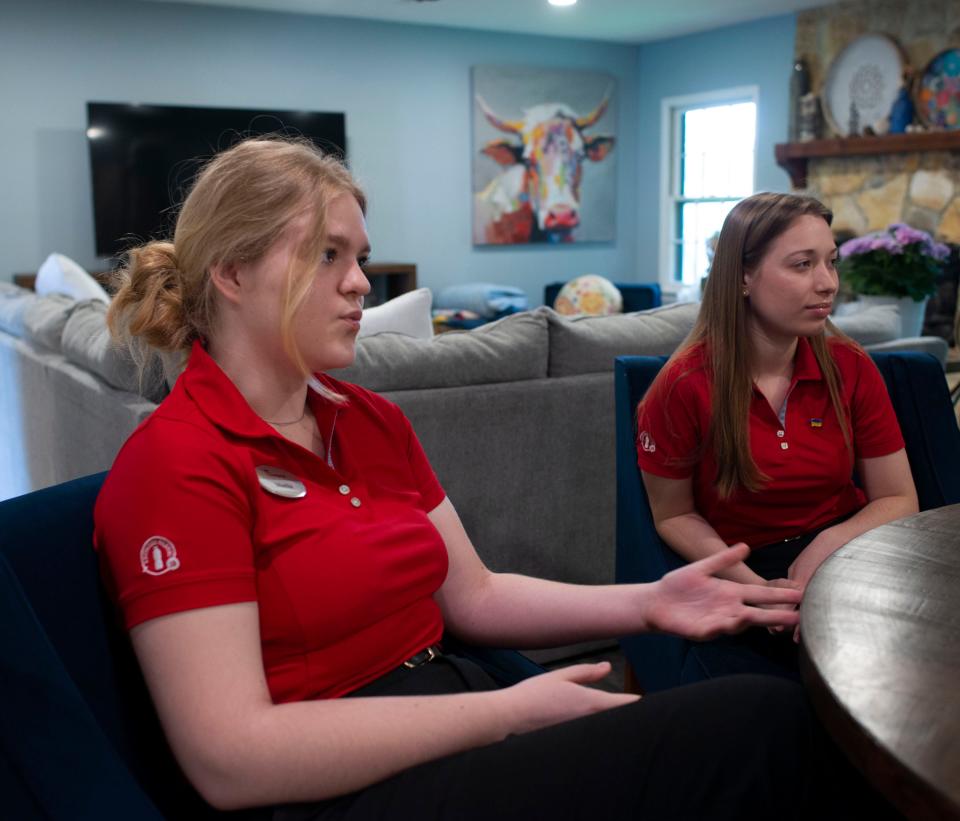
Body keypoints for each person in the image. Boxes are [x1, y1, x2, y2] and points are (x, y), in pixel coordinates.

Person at [95, 138, 822, 820]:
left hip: (456, 696)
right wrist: (505, 712)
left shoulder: (368, 418)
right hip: (343, 784)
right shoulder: (178, 464)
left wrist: (652, 600)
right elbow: (230, 758)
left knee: (753, 723)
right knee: (758, 724)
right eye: (326, 254)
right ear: (231, 273)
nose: (359, 282)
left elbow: (474, 594)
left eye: (359, 256)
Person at [636, 192, 919, 681]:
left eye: (831, 262)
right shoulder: (683, 386)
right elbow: (674, 515)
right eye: (802, 264)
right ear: (743, 276)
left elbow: (897, 497)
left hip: (847, 551)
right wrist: (757, 590)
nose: (827, 283)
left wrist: (827, 545)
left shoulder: (850, 367)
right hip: (741, 567)